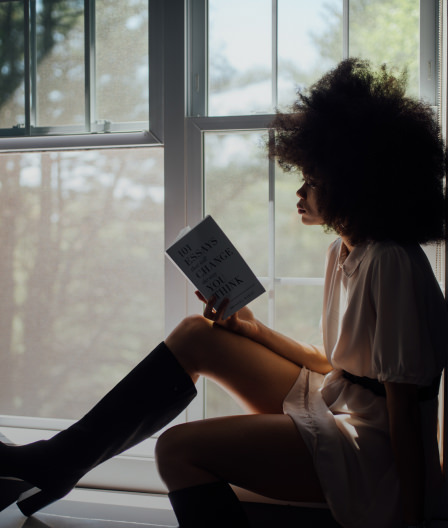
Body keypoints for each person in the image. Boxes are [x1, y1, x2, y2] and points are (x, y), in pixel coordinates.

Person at [0, 58, 446, 528]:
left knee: (177, 450)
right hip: (338, 402)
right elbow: (335, 366)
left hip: (374, 457)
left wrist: (411, 519)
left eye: (313, 181)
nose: (300, 192)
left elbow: (403, 404)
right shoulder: (344, 252)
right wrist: (251, 329)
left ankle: (53, 464)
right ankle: (59, 461)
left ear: (356, 186)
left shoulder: (391, 262)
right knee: (198, 334)